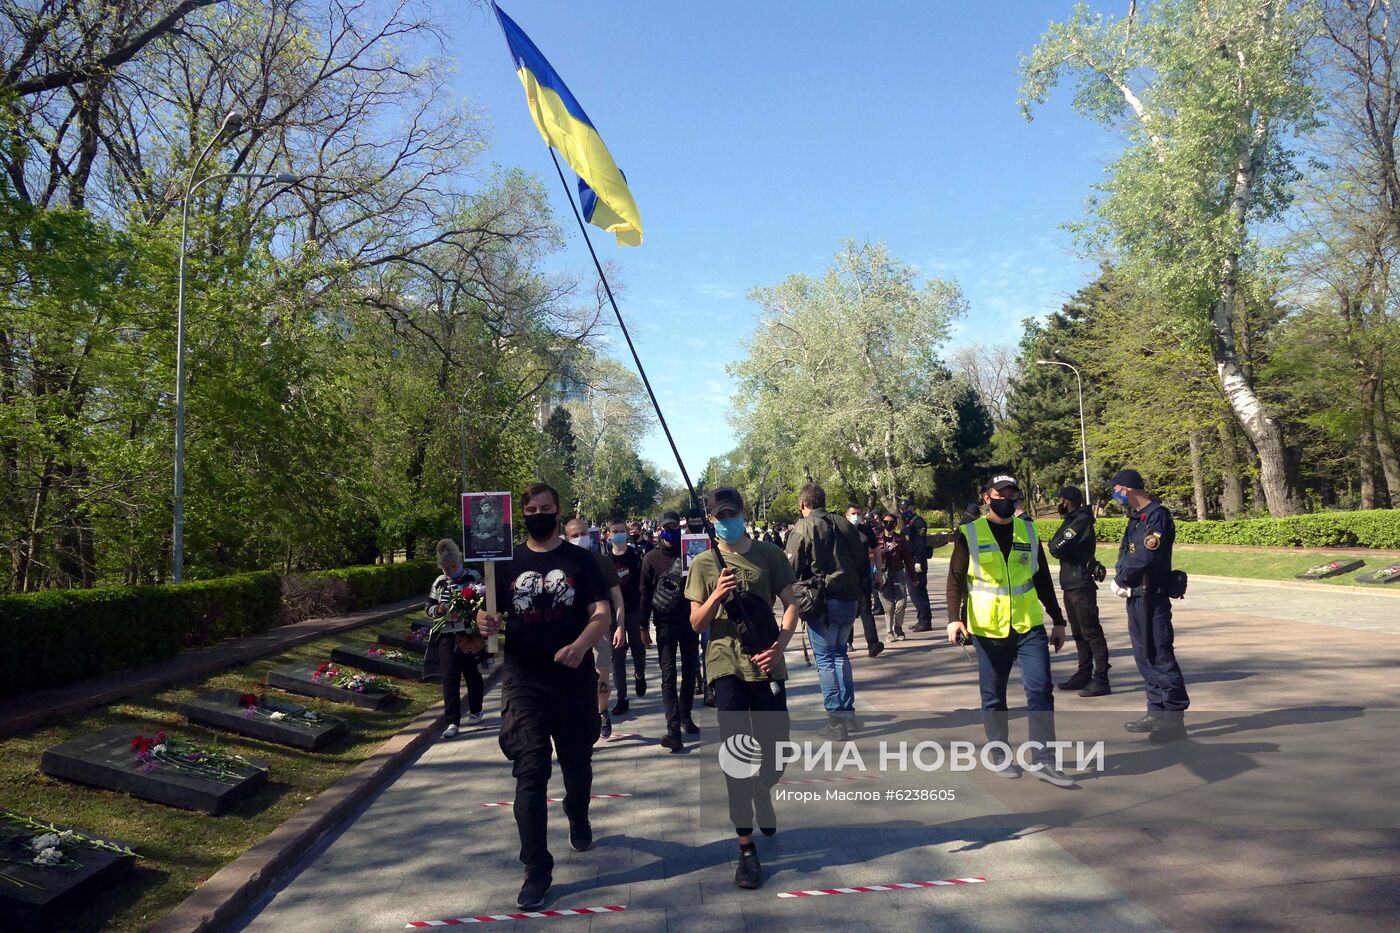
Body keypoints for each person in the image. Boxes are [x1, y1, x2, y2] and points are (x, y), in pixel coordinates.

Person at [476, 483, 611, 910]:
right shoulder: (504, 562)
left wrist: (580, 645)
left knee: (577, 764)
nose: (538, 513)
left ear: (558, 511)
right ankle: (536, 868)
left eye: (545, 508)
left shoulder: (579, 559)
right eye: (531, 509)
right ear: (522, 515)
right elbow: (489, 615)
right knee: (530, 772)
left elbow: (602, 614)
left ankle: (578, 812)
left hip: (572, 680)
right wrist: (485, 622)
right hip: (524, 680)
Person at [686, 486, 799, 891]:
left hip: (767, 662)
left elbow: (791, 604)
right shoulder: (702, 564)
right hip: (725, 666)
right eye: (718, 516)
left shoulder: (769, 554)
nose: (725, 521)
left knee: (776, 754)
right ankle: (746, 848)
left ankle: (762, 788)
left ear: (742, 513)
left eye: (730, 514)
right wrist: (717, 593)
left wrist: (779, 647)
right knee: (735, 755)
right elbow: (696, 623)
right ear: (710, 519)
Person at [945, 475, 1074, 787]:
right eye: (1000, 493)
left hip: (1028, 626)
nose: (1007, 498)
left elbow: (1041, 579)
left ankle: (1043, 760)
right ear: (987, 497)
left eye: (1012, 493)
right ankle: (1000, 754)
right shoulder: (969, 533)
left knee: (1041, 689)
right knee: (993, 696)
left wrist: (1058, 619)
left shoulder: (1028, 530)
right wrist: (953, 619)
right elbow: (956, 579)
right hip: (988, 629)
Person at [1109, 469, 1189, 742]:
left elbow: (1146, 555)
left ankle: (1173, 718)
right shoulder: (1136, 517)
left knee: (1160, 655)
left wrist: (1120, 578)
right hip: (1136, 595)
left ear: (1126, 488)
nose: (1114, 495)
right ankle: (1156, 711)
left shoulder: (1157, 515)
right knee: (1144, 655)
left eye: (1116, 490)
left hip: (1151, 595)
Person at [787, 483, 866, 738]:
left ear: (803, 504)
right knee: (840, 654)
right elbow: (861, 559)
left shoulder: (804, 526)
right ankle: (848, 714)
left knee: (826, 660)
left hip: (823, 601)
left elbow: (792, 566)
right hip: (849, 598)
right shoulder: (844, 523)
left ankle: (836, 720)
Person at [643, 510, 700, 751]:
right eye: (666, 527)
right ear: (659, 529)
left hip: (689, 621)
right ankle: (672, 728)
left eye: (675, 526)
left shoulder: (691, 554)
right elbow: (644, 595)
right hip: (664, 624)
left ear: (681, 527)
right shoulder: (651, 558)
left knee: (690, 669)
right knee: (668, 675)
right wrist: (642, 627)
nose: (671, 531)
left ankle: (685, 714)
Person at [1048, 486, 1111, 696]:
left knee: (1091, 631)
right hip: (1071, 583)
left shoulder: (1080, 520)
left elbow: (1056, 546)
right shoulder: (1072, 519)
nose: (1058, 504)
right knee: (1078, 633)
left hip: (1081, 584)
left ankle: (1101, 678)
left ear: (1066, 501)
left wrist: (1061, 547)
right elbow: (1054, 545)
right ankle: (1084, 673)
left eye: (1059, 500)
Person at [565, 517, 624, 737]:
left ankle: (601, 712)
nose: (580, 538)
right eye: (574, 535)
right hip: (572, 629)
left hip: (600, 626)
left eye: (583, 534)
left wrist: (620, 625)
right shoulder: (562, 563)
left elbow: (617, 597)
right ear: (566, 538)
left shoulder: (602, 562)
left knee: (602, 678)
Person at [423, 538, 485, 737]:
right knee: (449, 678)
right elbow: (428, 607)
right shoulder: (440, 582)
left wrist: (468, 609)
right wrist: (439, 610)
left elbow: (484, 600)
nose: (450, 571)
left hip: (467, 633)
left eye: (453, 567)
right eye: (446, 568)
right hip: (446, 634)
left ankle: (476, 709)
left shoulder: (472, 576)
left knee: (471, 673)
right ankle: (452, 722)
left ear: (459, 562)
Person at [606, 516, 649, 703]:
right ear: (609, 535)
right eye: (615, 532)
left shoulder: (636, 556)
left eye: (621, 531)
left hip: (634, 611)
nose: (618, 535)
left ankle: (640, 674)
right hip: (614, 614)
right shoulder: (606, 560)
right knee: (617, 655)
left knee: (638, 649)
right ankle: (621, 697)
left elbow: (645, 584)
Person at [843, 503, 885, 659]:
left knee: (866, 609)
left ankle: (873, 644)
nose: (856, 516)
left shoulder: (866, 530)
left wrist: (880, 572)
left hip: (864, 576)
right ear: (846, 515)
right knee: (849, 611)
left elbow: (876, 550)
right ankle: (847, 641)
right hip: (846, 578)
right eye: (853, 513)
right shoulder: (842, 530)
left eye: (859, 513)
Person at [877, 512, 916, 641]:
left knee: (902, 603)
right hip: (882, 574)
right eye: (886, 522)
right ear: (882, 523)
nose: (888, 525)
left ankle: (898, 627)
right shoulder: (876, 539)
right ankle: (889, 632)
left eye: (891, 522)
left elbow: (908, 559)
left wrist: (914, 577)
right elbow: (868, 557)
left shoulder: (900, 539)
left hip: (898, 573)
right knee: (889, 606)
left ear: (895, 524)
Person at [900, 498, 934, 632]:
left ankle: (925, 622)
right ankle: (921, 619)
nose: (904, 511)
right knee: (915, 593)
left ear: (912, 508)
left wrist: (918, 561)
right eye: (902, 509)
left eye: (906, 508)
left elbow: (920, 545)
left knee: (918, 593)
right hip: (909, 561)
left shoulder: (918, 522)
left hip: (916, 562)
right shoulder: (908, 523)